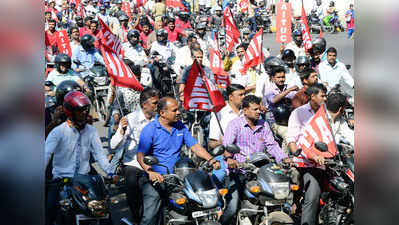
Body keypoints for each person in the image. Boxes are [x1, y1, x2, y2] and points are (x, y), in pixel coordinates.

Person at [136, 97, 221, 225]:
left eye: (178, 109)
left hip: (179, 178)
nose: (178, 112)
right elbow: (140, 155)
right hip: (157, 179)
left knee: (198, 205)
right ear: (162, 113)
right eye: (174, 110)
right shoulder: (150, 129)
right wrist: (150, 172)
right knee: (150, 217)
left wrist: (211, 159)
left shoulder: (180, 126)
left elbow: (195, 146)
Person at [45, 91, 116, 225]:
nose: (84, 113)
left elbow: (100, 154)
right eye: (80, 110)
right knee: (49, 211)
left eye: (85, 109)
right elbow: (46, 154)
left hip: (85, 181)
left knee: (104, 212)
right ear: (70, 111)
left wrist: (110, 172)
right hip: (61, 181)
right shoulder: (58, 132)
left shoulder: (91, 131)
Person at [220, 95, 289, 225]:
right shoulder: (234, 124)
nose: (259, 111)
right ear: (245, 110)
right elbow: (227, 145)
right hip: (239, 171)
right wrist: (230, 159)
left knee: (278, 199)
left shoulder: (264, 125)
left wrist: (284, 159)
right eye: (255, 109)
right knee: (232, 207)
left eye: (259, 109)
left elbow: (272, 145)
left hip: (260, 171)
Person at [109, 88, 160, 224]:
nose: (157, 106)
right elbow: (113, 145)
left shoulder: (159, 120)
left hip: (156, 163)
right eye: (154, 103)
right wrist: (121, 131)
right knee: (132, 184)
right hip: (133, 163)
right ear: (144, 105)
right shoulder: (130, 119)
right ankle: (137, 219)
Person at [263, 66, 298, 153]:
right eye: (278, 77)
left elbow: (295, 97)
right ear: (272, 78)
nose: (281, 79)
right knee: (288, 136)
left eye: (283, 77)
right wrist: (289, 90)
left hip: (288, 119)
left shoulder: (287, 87)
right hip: (275, 122)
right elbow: (273, 100)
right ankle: (285, 159)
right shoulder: (269, 89)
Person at [287, 83, 328, 155]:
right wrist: (296, 154)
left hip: (326, 151)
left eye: (325, 96)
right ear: (313, 96)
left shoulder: (326, 112)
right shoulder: (298, 112)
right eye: (322, 96)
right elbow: (292, 137)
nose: (325, 99)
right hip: (305, 153)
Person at [208, 84, 246, 149]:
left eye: (244, 94)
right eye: (240, 95)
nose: (244, 97)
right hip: (227, 153)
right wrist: (221, 142)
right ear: (231, 97)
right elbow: (211, 144)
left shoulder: (247, 111)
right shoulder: (219, 114)